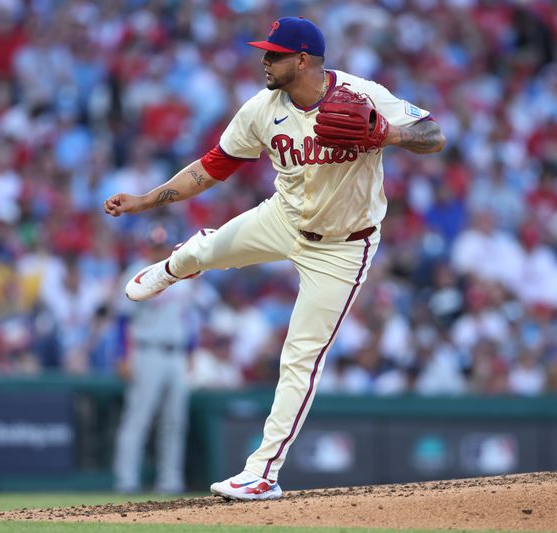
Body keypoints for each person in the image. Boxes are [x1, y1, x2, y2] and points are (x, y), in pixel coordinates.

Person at [103, 17, 445, 500]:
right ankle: (170, 268)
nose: (264, 61)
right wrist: (144, 200)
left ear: (303, 59)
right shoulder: (262, 108)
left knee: (300, 357)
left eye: (274, 54)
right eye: (265, 52)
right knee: (211, 247)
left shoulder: (361, 94)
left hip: (344, 245)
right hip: (284, 215)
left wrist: (386, 133)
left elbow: (434, 135)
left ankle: (262, 471)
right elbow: (212, 168)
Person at [112, 225, 199, 495]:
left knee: (175, 421)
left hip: (176, 353)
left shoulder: (182, 272)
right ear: (146, 246)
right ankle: (126, 480)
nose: (158, 249)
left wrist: (191, 352)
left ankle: (169, 481)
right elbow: (121, 320)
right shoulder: (135, 273)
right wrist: (122, 355)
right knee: (139, 418)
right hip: (146, 351)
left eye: (163, 245)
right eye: (154, 245)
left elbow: (189, 318)